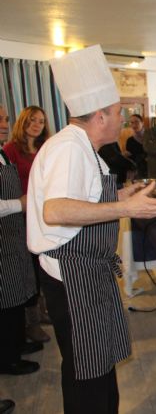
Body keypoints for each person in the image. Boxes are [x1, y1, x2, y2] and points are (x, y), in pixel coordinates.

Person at [26, 45, 156, 414]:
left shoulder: (83, 147)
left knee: (96, 365)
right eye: (118, 113)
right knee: (86, 372)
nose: (123, 118)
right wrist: (127, 207)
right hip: (72, 273)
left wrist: (128, 192)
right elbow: (57, 209)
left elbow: (88, 197)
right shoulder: (68, 149)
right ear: (99, 116)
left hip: (87, 270)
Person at [3, 105, 51, 343]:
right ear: (23, 122)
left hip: (44, 215)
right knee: (28, 270)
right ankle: (30, 322)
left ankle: (42, 311)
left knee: (43, 267)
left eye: (41, 121)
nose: (37, 125)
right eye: (32, 120)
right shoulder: (11, 150)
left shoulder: (45, 148)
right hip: (20, 217)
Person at [0, 104, 39, 378]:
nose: (6, 123)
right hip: (4, 241)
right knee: (6, 302)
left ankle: (17, 344)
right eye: (1, 119)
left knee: (17, 297)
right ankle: (8, 359)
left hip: (13, 236)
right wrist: (20, 203)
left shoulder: (2, 154)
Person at [125, 114, 146, 178]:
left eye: (136, 122)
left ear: (142, 123)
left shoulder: (150, 136)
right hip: (138, 172)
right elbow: (131, 159)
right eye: (131, 122)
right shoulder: (130, 140)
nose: (134, 125)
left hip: (152, 170)